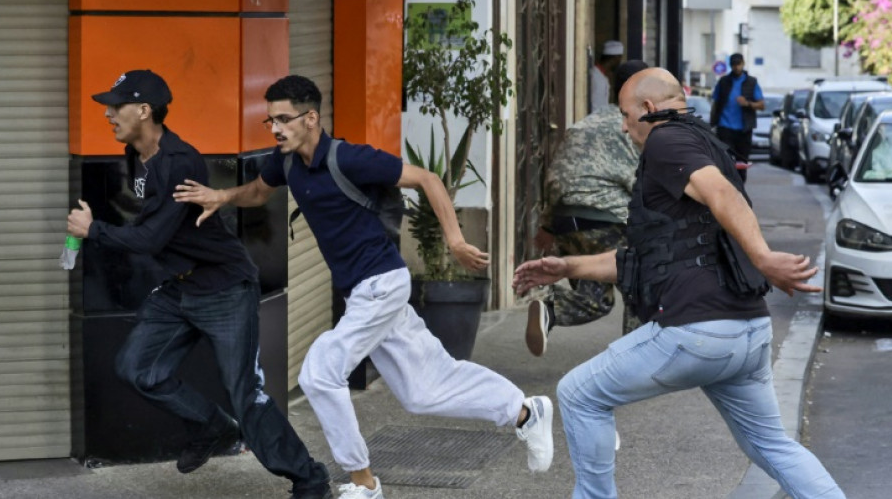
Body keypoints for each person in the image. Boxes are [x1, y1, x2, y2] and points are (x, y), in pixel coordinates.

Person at [173, 75, 554, 499]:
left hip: (382, 284)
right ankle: (525, 412)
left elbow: (427, 178)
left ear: (311, 117)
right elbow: (259, 192)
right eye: (271, 121)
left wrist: (456, 240)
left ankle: (363, 482)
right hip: (363, 292)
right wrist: (221, 196)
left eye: (284, 119)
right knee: (424, 390)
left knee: (319, 373)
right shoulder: (284, 163)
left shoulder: (351, 159)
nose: (276, 128)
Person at [513, 68, 845, 499]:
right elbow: (646, 259)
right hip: (747, 335)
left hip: (697, 333)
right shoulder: (703, 141)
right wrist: (567, 268)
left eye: (626, 114)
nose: (622, 125)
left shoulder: (666, 140)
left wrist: (763, 258)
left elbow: (721, 196)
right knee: (772, 445)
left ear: (649, 110)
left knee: (578, 393)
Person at [65, 70, 331, 499]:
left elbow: (151, 238)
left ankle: (309, 476)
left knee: (245, 393)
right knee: (136, 368)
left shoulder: (178, 162)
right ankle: (210, 426)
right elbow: (148, 223)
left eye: (117, 105)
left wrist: (92, 230)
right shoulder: (137, 154)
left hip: (224, 288)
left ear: (144, 110)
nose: (109, 113)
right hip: (180, 288)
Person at [527, 60, 648, 357]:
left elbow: (558, 175)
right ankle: (636, 360)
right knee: (642, 282)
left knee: (594, 299)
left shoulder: (584, 124)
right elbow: (645, 185)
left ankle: (549, 309)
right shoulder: (635, 126)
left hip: (567, 221)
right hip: (609, 220)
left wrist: (548, 225)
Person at [711, 53, 764, 181]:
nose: (736, 67)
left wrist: (748, 103)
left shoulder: (752, 82)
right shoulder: (723, 82)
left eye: (738, 64)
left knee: (742, 161)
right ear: (730, 65)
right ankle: (729, 185)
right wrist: (713, 123)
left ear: (743, 64)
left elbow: (761, 105)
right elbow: (716, 102)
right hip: (725, 127)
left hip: (744, 129)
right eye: (734, 65)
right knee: (725, 159)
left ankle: (740, 187)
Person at [589, 40, 624, 112]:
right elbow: (596, 106)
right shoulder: (596, 77)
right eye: (619, 58)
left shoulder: (603, 76)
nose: (619, 62)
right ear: (615, 58)